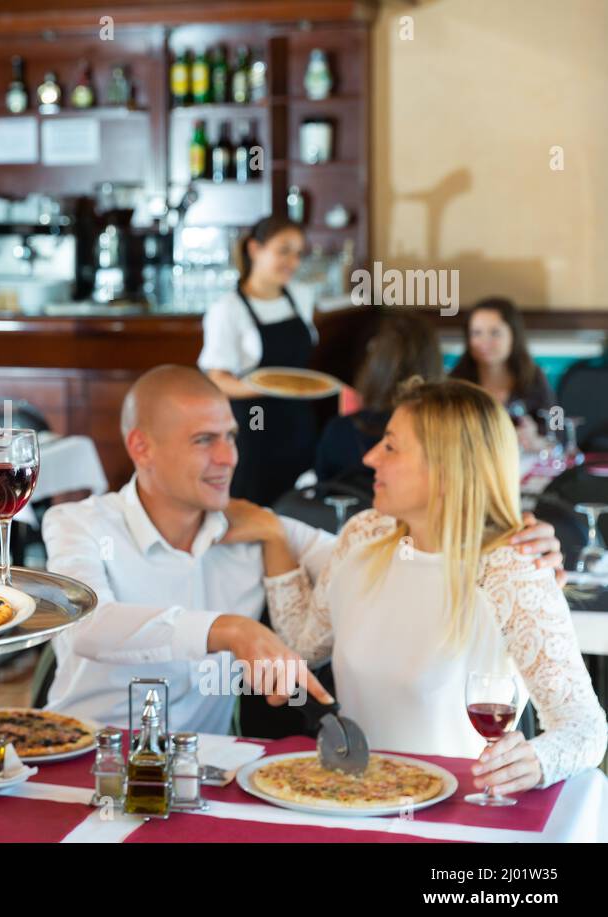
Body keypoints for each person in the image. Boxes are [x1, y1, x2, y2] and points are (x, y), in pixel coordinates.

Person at [39, 365, 563, 734]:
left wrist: (510, 544)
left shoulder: (260, 532)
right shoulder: (78, 523)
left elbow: (394, 562)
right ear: (141, 447)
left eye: (231, 436)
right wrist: (230, 629)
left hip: (202, 775)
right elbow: (86, 624)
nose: (228, 458)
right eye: (204, 440)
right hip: (80, 754)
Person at [243, 378, 606, 793]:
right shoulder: (363, 534)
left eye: (392, 447)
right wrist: (273, 541)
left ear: (448, 469)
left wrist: (537, 761)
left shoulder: (512, 567)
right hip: (352, 801)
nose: (370, 456)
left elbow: (585, 727)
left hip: (456, 816)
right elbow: (305, 647)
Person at [199, 215, 318, 506]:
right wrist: (273, 387)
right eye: (283, 250)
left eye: (298, 253)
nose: (292, 261)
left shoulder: (301, 297)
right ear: (254, 249)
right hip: (255, 426)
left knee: (299, 507)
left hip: (299, 421)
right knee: (255, 505)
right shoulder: (227, 309)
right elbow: (217, 380)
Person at [314, 311, 443, 495]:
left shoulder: (339, 430)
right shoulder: (442, 432)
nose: (372, 459)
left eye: (391, 447)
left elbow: (322, 488)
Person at [449, 297, 555, 451]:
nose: (485, 341)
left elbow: (557, 433)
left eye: (495, 333)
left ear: (514, 335)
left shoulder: (534, 377)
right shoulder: (456, 382)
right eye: (476, 333)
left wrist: (536, 440)